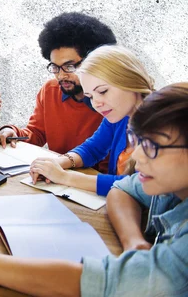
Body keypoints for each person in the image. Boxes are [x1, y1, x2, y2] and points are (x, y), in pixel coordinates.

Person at [0, 82, 188, 297]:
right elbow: (123, 189)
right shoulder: (166, 181)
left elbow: (90, 283)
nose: (137, 157)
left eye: (152, 147)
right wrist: (133, 243)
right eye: (136, 141)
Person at [29, 45, 154, 196]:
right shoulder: (121, 114)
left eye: (102, 91)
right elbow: (93, 148)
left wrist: (65, 177)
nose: (96, 104)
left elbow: (139, 186)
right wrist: (60, 162)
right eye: (90, 96)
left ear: (130, 81)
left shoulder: (163, 126)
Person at [0, 12, 116, 154]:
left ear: (94, 61)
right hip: (58, 171)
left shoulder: (111, 99)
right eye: (55, 67)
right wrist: (12, 131)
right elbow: (37, 134)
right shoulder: (50, 90)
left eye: (69, 66)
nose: (60, 75)